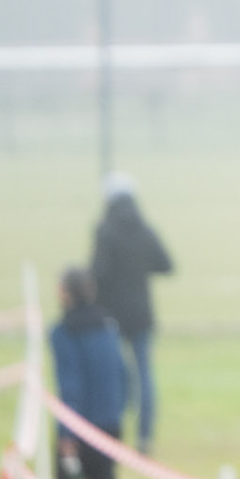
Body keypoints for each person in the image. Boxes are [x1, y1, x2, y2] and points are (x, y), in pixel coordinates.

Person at [91, 172, 173, 455]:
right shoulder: (144, 229)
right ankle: (145, 437)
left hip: (111, 316)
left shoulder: (104, 231)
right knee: (145, 375)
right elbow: (166, 264)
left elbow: (97, 273)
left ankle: (113, 434)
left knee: (116, 376)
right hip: (141, 314)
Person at [50, 266, 128, 479]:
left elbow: (70, 387)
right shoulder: (109, 325)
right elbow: (123, 374)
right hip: (110, 427)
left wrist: (66, 435)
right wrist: (118, 415)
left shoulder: (63, 333)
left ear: (66, 293)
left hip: (78, 432)